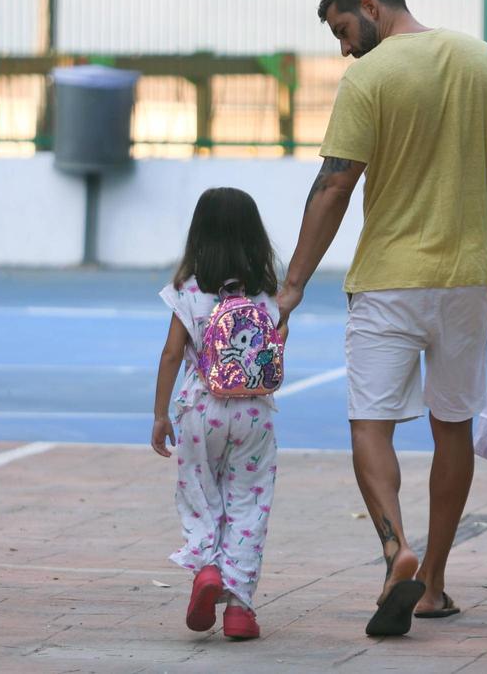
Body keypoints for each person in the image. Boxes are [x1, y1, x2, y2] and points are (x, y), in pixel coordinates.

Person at [276, 0, 487, 637]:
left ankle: (392, 547)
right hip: (468, 279)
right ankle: (432, 582)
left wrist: (292, 285)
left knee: (370, 421)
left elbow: (335, 186)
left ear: (370, 6)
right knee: (451, 424)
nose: (344, 47)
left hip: (388, 282)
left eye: (344, 30)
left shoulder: (369, 79)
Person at [151, 186, 287, 641]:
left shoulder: (187, 291)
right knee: (249, 502)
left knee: (200, 493)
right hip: (254, 413)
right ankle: (240, 608)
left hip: (199, 408)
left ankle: (206, 567)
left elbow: (172, 354)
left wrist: (160, 415)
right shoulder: (269, 295)